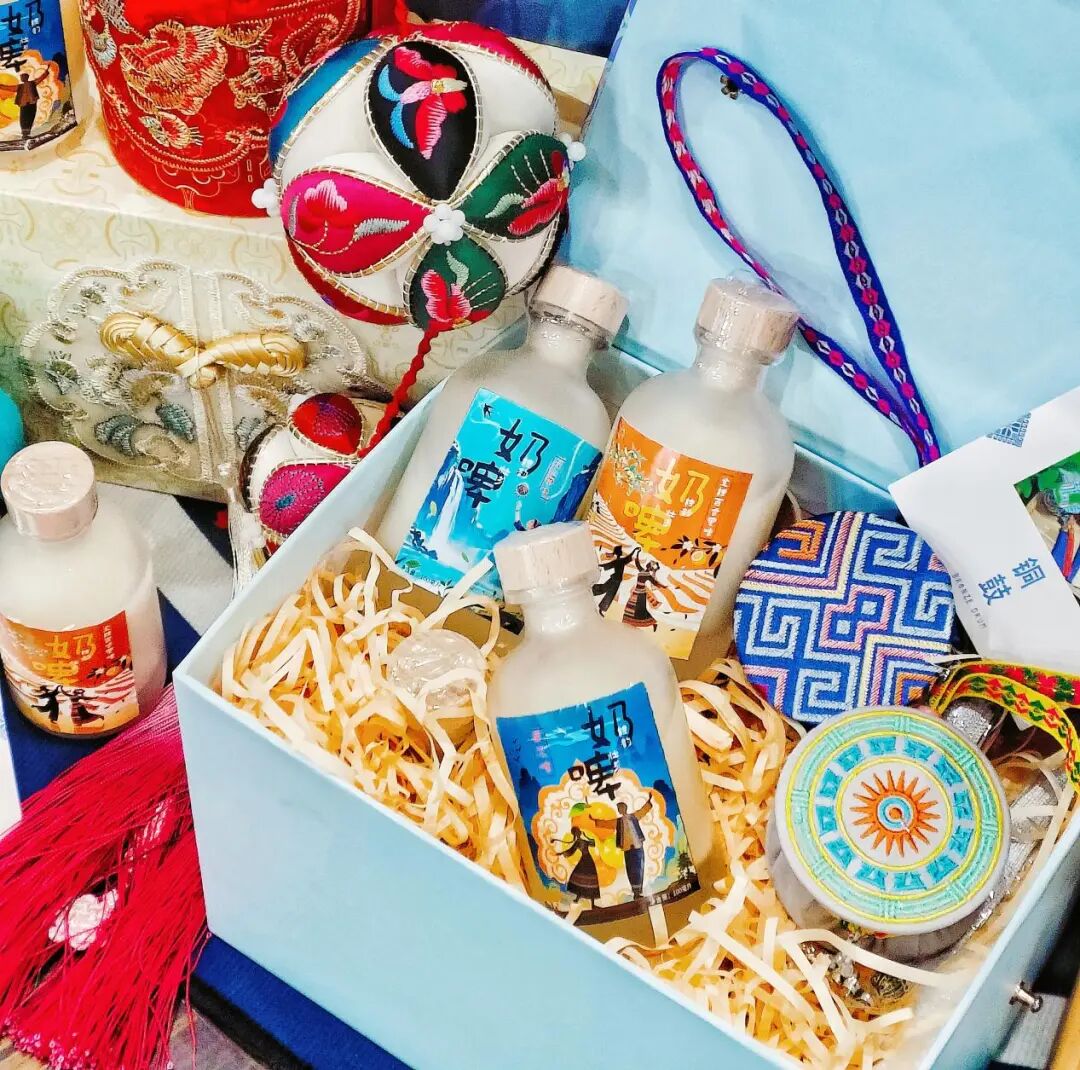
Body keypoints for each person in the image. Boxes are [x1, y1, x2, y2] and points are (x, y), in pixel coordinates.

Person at [555, 825, 599, 907]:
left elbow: (593, 843)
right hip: (584, 859)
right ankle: (578, 898)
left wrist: (587, 837)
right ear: (575, 834)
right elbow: (571, 850)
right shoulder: (578, 842)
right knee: (580, 879)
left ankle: (592, 903)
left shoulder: (583, 840)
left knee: (591, 880)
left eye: (578, 832)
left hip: (588, 859)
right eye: (577, 833)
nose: (578, 833)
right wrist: (561, 853)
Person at [621, 555, 663, 630]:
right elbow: (637, 564)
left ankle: (651, 623)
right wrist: (637, 555)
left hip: (641, 593)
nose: (648, 565)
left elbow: (655, 583)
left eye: (649, 565)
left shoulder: (647, 574)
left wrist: (663, 586)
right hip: (637, 591)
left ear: (650, 568)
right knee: (632, 607)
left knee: (639, 608)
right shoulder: (642, 570)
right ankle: (650, 623)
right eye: (649, 564)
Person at [592, 543, 634, 614]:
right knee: (606, 589)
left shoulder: (620, 561)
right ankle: (593, 591)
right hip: (615, 579)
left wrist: (635, 551)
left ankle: (602, 608)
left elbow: (606, 565)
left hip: (617, 579)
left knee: (610, 593)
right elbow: (607, 565)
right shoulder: (620, 561)